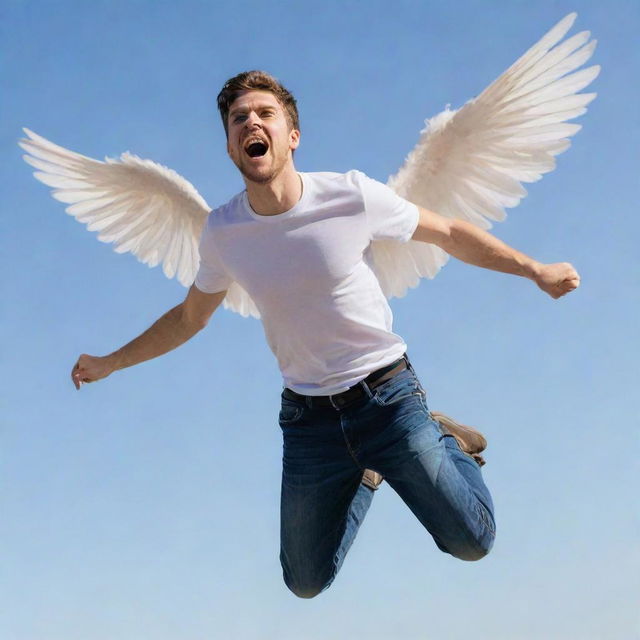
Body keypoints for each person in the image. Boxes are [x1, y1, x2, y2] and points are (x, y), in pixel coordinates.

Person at [72, 70, 580, 598]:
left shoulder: (351, 196)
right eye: (239, 118)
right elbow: (188, 318)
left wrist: (534, 269)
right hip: (309, 419)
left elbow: (449, 232)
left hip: (387, 398)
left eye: (265, 113)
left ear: (292, 135)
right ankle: (366, 474)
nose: (252, 122)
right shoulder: (223, 234)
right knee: (306, 582)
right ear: (229, 146)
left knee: (473, 540)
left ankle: (443, 438)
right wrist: (110, 362)